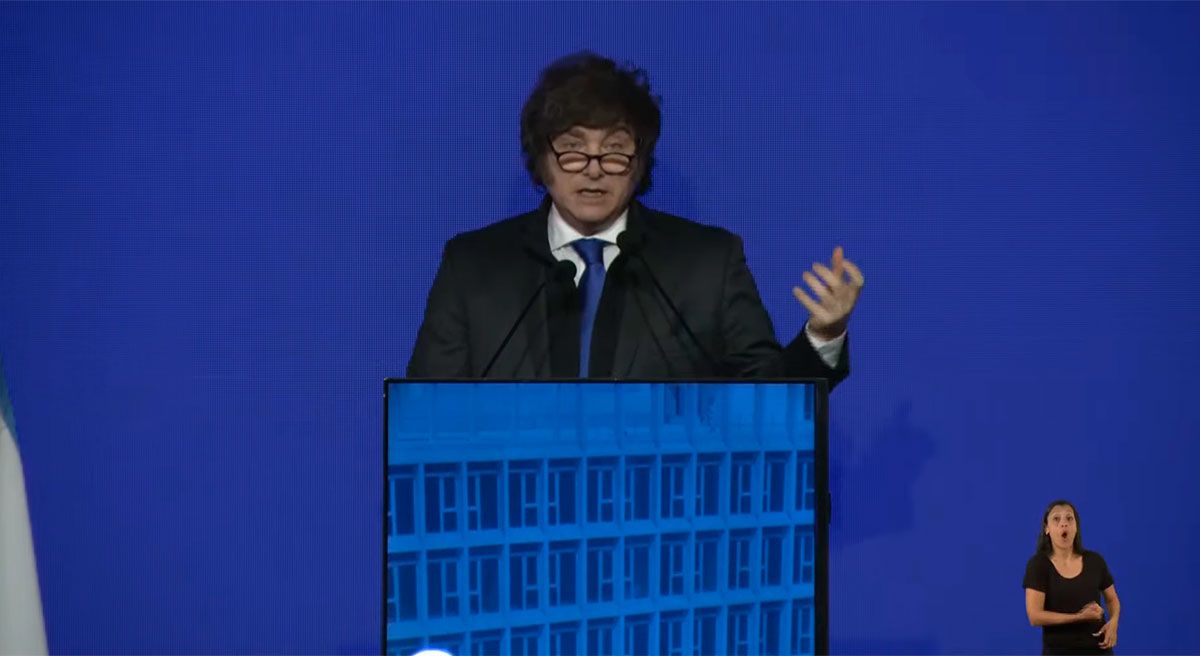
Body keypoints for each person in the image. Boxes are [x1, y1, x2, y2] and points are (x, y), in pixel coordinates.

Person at [407, 52, 864, 382]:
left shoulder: (708, 262)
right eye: (572, 150)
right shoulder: (474, 264)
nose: (593, 169)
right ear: (540, 161)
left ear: (640, 161)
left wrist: (823, 335)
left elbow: (766, 398)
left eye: (614, 150)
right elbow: (426, 411)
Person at [1023, 500, 1121, 654]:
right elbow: (1035, 616)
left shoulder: (1095, 561)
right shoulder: (1038, 565)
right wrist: (1079, 617)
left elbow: (1112, 599)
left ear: (1076, 527)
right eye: (1056, 519)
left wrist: (1113, 622)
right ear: (1047, 528)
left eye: (1069, 518)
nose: (1064, 523)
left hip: (1099, 650)